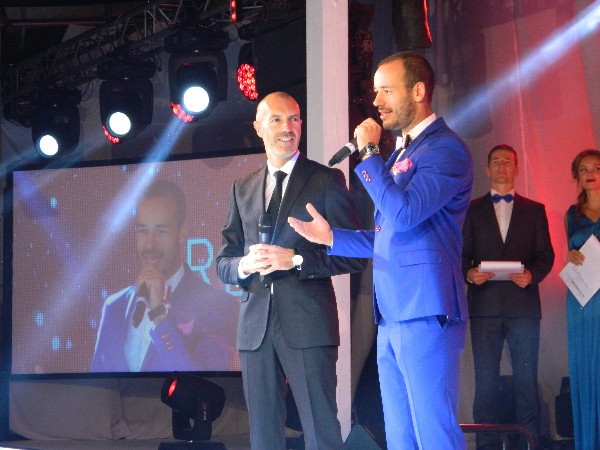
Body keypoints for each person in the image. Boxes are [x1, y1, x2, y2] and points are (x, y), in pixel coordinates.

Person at [288, 52, 473, 450]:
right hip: (392, 313)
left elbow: (403, 214)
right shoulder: (404, 152)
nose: (377, 102)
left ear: (418, 91)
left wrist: (370, 153)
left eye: (387, 90)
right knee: (400, 436)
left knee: (433, 434)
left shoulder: (445, 150)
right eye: (375, 92)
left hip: (425, 309)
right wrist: (332, 237)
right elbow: (388, 237)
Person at [215, 91, 365, 450]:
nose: (288, 127)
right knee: (264, 434)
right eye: (277, 120)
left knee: (320, 429)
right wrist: (244, 265)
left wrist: (296, 259)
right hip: (255, 328)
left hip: (308, 323)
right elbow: (223, 262)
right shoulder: (242, 188)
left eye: (295, 119)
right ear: (258, 128)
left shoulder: (326, 180)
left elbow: (355, 255)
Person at [461, 144, 554, 450]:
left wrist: (532, 275)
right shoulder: (471, 210)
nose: (502, 166)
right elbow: (461, 254)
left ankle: (529, 443)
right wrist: (468, 273)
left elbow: (546, 255)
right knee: (485, 382)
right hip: (484, 307)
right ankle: (486, 445)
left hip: (523, 308)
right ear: (487, 169)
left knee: (526, 381)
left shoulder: (535, 210)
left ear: (516, 168)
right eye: (496, 161)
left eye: (508, 161)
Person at [91, 179, 238, 372]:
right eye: (142, 231)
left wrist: (159, 316)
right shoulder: (114, 306)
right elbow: (98, 381)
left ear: (182, 232)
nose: (150, 244)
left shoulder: (220, 306)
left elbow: (201, 382)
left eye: (161, 231)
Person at [565, 149, 600, 450]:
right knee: (586, 370)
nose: (591, 174)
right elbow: (571, 251)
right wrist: (571, 256)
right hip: (582, 299)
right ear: (576, 176)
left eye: (597, 168)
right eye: (584, 169)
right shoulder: (572, 215)